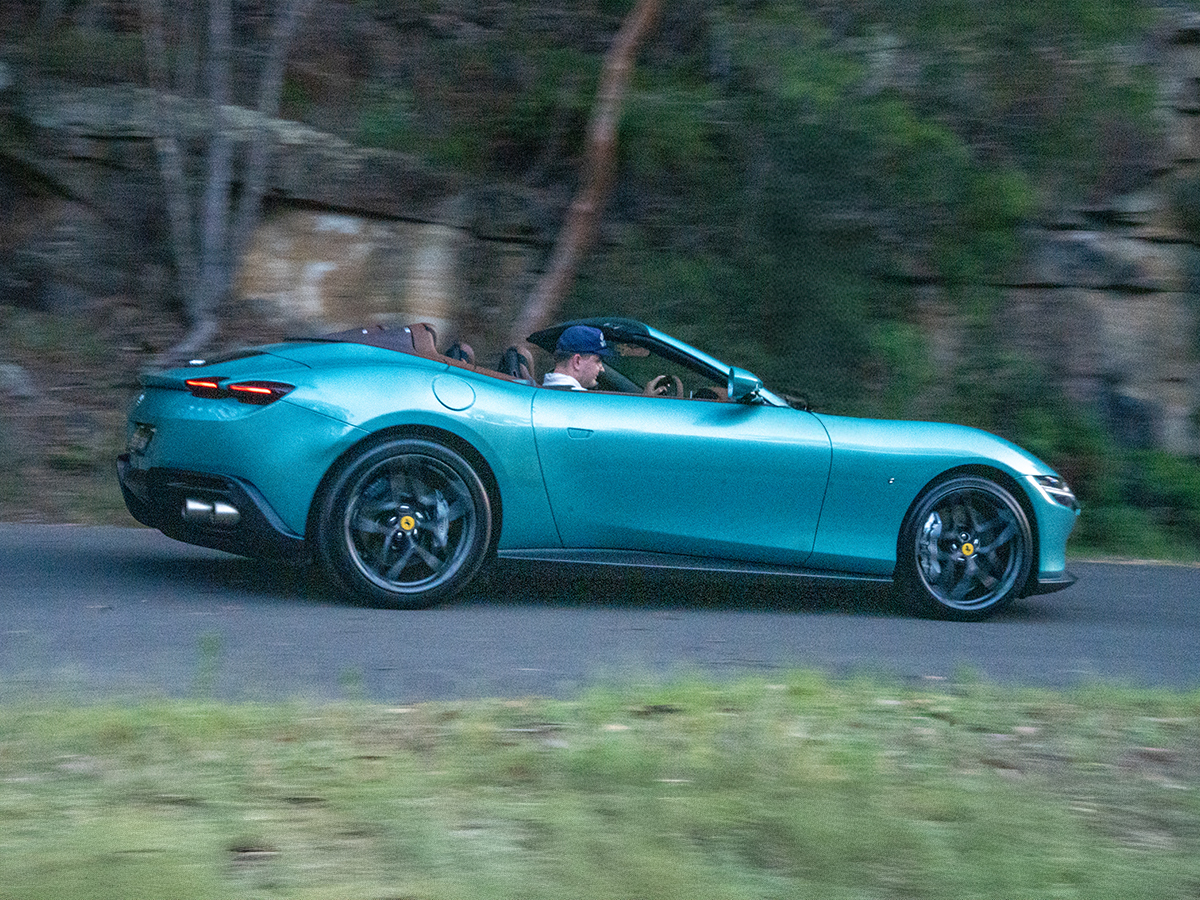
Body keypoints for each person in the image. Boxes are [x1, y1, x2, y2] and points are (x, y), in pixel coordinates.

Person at [542, 325, 615, 390]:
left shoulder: (541, 392)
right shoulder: (584, 401)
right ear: (577, 361)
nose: (602, 369)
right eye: (598, 360)